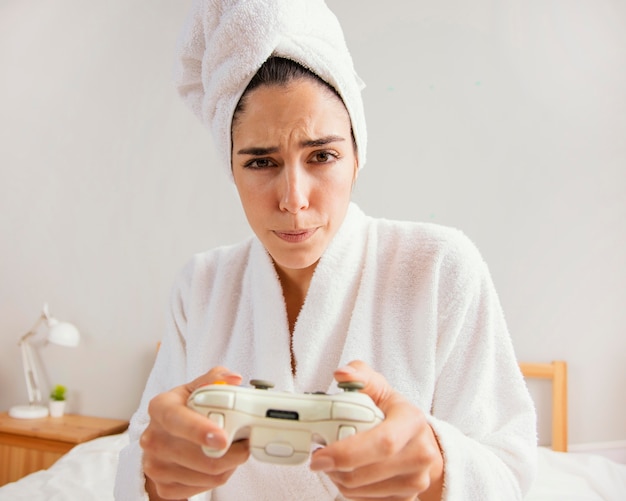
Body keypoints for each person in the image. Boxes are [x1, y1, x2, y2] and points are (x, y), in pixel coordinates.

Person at [115, 1, 537, 500]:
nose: (293, 199)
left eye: (322, 155)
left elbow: (512, 476)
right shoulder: (201, 286)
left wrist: (438, 467)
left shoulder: (440, 268)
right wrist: (156, 479)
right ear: (230, 168)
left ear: (358, 156)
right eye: (260, 162)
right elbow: (139, 466)